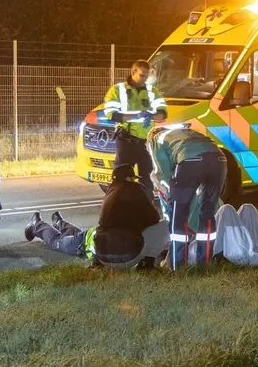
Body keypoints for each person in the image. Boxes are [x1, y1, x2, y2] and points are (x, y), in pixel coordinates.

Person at [24, 164, 167, 267]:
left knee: (79, 236)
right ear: (129, 178)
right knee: (58, 241)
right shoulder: (137, 191)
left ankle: (60, 222)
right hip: (121, 253)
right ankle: (36, 225)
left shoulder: (111, 193)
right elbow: (153, 219)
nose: (135, 181)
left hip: (99, 246)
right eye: (133, 178)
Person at [147, 125, 227, 269]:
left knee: (179, 216)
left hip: (191, 161)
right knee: (207, 214)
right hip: (219, 159)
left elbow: (162, 174)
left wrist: (170, 195)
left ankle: (177, 267)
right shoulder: (183, 134)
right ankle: (205, 264)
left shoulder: (156, 139)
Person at [104, 60, 168, 199]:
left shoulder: (152, 91)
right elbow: (112, 114)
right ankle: (116, 206)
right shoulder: (118, 90)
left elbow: (163, 113)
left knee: (147, 179)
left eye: (147, 75)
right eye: (142, 75)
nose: (145, 78)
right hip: (127, 141)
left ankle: (146, 208)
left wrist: (151, 115)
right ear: (133, 72)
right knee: (120, 179)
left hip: (146, 142)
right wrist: (137, 115)